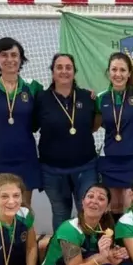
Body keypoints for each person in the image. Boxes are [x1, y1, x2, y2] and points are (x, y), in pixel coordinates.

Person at [33, 53, 98, 232]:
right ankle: (62, 255)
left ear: (74, 72)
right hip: (52, 170)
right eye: (59, 67)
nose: (64, 71)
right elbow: (32, 126)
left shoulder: (88, 97)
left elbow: (93, 126)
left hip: (85, 167)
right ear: (52, 72)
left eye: (68, 67)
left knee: (87, 211)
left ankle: (88, 255)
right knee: (61, 213)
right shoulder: (41, 99)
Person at [0, 37, 42, 205]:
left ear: (21, 59)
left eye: (14, 55)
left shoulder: (33, 86)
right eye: (4, 55)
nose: (9, 59)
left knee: (25, 210)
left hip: (26, 156)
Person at [96, 52, 133, 220]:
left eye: (123, 70)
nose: (118, 74)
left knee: (129, 204)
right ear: (108, 72)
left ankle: (128, 244)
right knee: (112, 205)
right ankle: (111, 243)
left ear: (129, 73)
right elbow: (95, 126)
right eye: (114, 69)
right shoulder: (100, 98)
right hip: (109, 158)